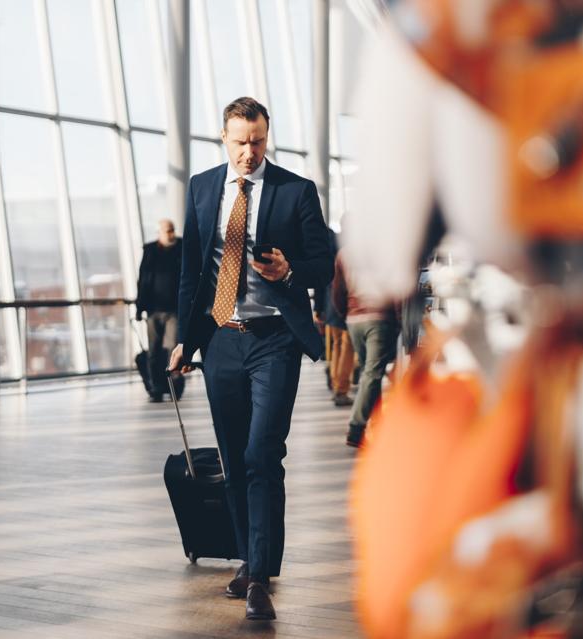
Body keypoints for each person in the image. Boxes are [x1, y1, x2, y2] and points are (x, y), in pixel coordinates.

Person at [168, 97, 333, 621]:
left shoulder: (295, 191)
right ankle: (248, 558)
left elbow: (325, 263)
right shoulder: (201, 188)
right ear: (224, 137)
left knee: (264, 453)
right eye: (240, 142)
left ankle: (259, 574)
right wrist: (183, 340)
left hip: (274, 339)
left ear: (268, 137)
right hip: (221, 340)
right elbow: (192, 273)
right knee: (236, 456)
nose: (248, 152)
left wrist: (289, 271)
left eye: (257, 141)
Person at [332, 250, 399, 448]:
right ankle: (356, 428)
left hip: (354, 321)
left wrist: (345, 314)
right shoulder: (385, 248)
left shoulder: (344, 254)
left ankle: (379, 425)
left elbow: (337, 289)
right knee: (372, 373)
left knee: (370, 374)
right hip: (378, 318)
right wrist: (399, 319)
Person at [135, 219, 182, 402]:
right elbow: (143, 280)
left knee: (172, 348)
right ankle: (156, 387)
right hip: (153, 309)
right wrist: (140, 307)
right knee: (154, 351)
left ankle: (174, 386)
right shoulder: (150, 251)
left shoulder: (181, 248)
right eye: (167, 231)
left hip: (174, 310)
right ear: (159, 233)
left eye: (172, 230)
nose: (170, 234)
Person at [313, 228, 355, 406]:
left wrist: (319, 308)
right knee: (347, 347)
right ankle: (341, 389)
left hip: (330, 306)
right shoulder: (350, 253)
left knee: (337, 345)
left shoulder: (326, 250)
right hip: (343, 305)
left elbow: (319, 282)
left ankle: (335, 378)